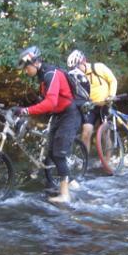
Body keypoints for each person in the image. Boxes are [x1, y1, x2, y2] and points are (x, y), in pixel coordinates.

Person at [13, 46, 82, 204]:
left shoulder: (51, 75)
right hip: (59, 114)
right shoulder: (43, 77)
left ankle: (65, 196)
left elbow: (50, 103)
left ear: (35, 63)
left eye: (26, 67)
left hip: (70, 114)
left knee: (58, 154)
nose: (25, 71)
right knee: (50, 152)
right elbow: (46, 102)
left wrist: (25, 111)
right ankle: (58, 183)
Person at [66, 50, 117, 152]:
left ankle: (107, 164)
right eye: (73, 68)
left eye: (77, 67)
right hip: (91, 107)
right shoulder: (77, 77)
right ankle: (86, 162)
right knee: (86, 132)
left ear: (84, 61)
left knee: (104, 134)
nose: (76, 70)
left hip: (105, 105)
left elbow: (113, 80)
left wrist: (111, 95)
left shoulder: (98, 67)